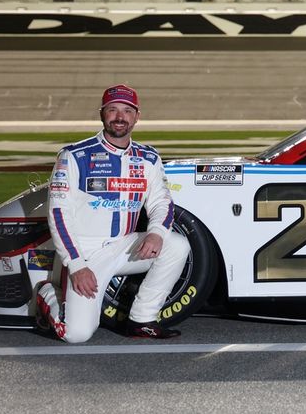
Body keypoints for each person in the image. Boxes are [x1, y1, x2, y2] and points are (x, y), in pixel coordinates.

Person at [35, 84, 190, 342]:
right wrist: (76, 265)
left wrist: (156, 233)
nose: (120, 117)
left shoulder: (148, 157)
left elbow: (162, 201)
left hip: (123, 247)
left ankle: (142, 319)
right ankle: (48, 293)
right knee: (77, 335)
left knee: (176, 245)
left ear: (137, 116)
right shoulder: (74, 155)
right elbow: (59, 213)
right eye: (113, 110)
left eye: (127, 111)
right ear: (102, 114)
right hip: (85, 255)